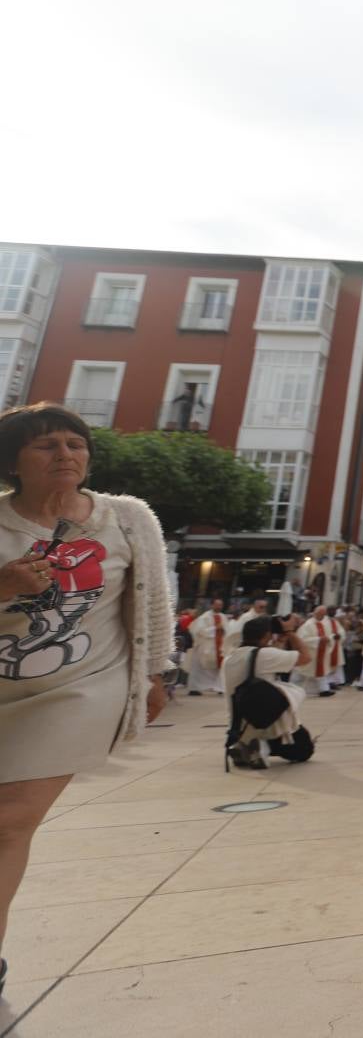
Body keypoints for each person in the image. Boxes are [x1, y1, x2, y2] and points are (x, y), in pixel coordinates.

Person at [0, 403, 173, 1000]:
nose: (65, 455)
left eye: (75, 444)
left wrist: (154, 672)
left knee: (10, 818)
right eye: (46, 445)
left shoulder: (126, 520)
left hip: (81, 686)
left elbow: (152, 600)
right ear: (14, 461)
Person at [221, 614, 309, 769]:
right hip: (266, 724)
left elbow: (262, 665)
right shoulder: (265, 655)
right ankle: (261, 747)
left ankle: (243, 745)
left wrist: (277, 643)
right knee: (304, 749)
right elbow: (305, 658)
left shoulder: (230, 658)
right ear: (266, 635)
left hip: (239, 725)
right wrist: (289, 632)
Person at [184, 598, 230, 696]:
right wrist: (215, 628)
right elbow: (199, 631)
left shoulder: (223, 616)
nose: (219, 607)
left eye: (220, 605)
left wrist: (223, 630)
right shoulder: (204, 617)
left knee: (219, 668)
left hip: (219, 646)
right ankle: (195, 688)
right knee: (198, 668)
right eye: (217, 605)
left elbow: (228, 630)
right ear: (212, 605)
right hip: (205, 646)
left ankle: (219, 688)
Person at [294, 606, 342, 698]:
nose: (322, 616)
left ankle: (324, 690)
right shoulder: (308, 625)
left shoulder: (325, 624)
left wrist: (332, 637)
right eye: (321, 614)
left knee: (321, 671)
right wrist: (319, 639)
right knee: (303, 672)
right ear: (315, 613)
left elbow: (329, 636)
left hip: (322, 652)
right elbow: (302, 639)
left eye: (324, 614)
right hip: (311, 652)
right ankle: (295, 688)